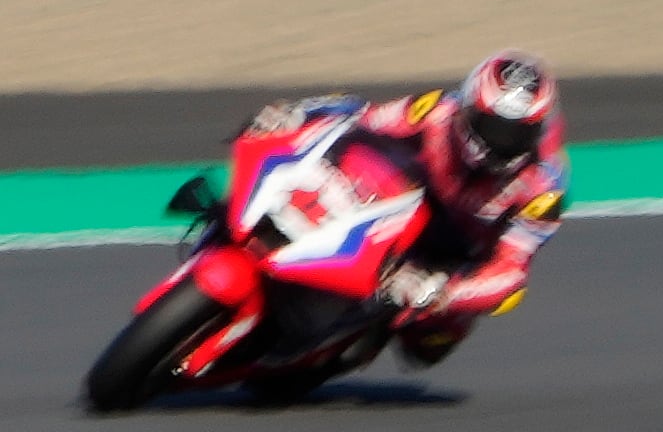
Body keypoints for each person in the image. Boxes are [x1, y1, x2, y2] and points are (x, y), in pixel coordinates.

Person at [242, 52, 567, 365]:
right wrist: (298, 113)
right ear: (469, 109)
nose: (501, 142)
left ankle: (341, 339)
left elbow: (511, 272)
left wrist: (446, 293)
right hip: (403, 206)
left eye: (517, 135)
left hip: (459, 253)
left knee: (430, 345)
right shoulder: (437, 111)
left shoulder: (543, 188)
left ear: (537, 132)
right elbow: (361, 116)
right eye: (491, 127)